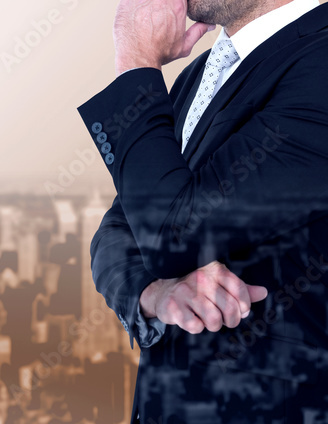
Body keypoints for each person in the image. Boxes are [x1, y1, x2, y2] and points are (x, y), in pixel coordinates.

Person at [78, 0, 328, 422]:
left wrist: (136, 60)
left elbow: (174, 233)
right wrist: (154, 293)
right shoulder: (202, 73)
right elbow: (119, 228)